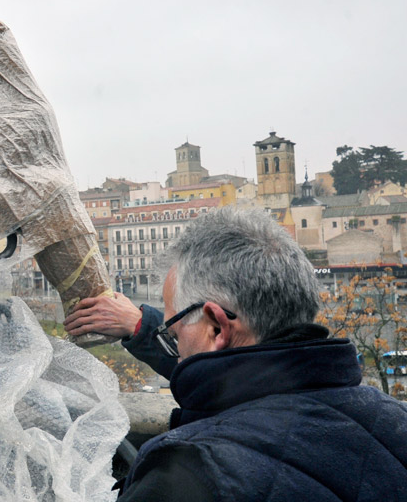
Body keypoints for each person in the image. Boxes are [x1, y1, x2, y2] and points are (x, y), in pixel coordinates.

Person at [75, 207, 407, 500]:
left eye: (173, 332)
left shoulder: (188, 476)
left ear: (217, 328)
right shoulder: (394, 422)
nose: (176, 353)